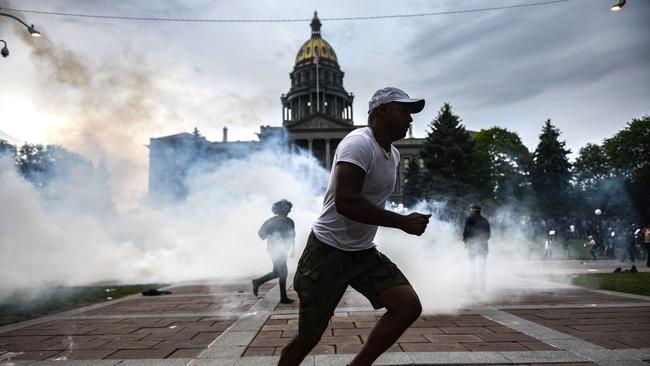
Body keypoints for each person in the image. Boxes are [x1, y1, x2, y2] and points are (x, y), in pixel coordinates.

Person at [278, 87, 430, 366]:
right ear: (382, 111)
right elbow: (346, 202)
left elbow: (366, 201)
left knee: (407, 306)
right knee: (309, 337)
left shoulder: (393, 153)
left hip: (361, 251)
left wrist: (404, 219)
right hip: (326, 251)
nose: (410, 118)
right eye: (404, 110)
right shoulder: (357, 144)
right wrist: (402, 222)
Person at [252, 199, 296, 304]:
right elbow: (260, 233)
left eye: (289, 208)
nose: (288, 210)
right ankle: (283, 297)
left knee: (277, 272)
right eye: (286, 208)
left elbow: (293, 235)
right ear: (280, 209)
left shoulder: (290, 221)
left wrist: (293, 249)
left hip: (284, 249)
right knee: (283, 272)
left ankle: (258, 281)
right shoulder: (271, 221)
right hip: (274, 248)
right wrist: (271, 236)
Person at [462, 204, 491, 292]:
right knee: (482, 267)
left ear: (472, 210)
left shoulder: (469, 219)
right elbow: (488, 234)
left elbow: (466, 232)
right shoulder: (485, 220)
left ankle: (473, 285)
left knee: (472, 266)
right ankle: (482, 286)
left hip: (472, 246)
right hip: (483, 246)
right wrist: (482, 242)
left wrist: (466, 242)